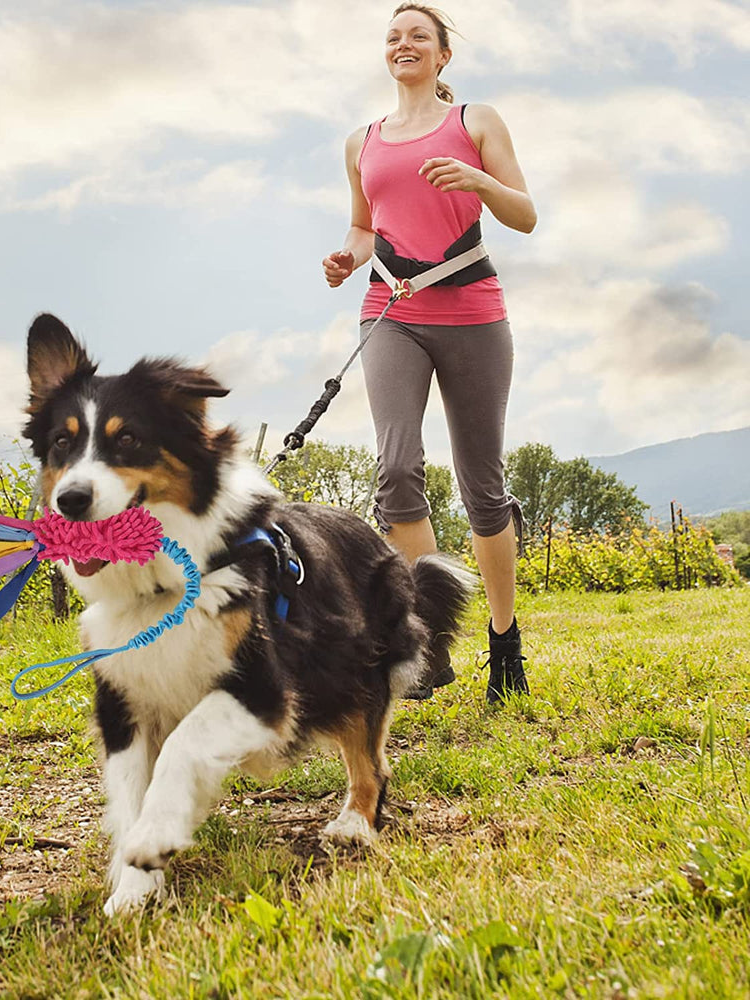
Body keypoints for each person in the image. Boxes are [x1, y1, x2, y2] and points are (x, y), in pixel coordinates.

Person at [322, 3, 536, 704]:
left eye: (418, 35)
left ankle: (504, 641)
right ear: (386, 55)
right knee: (395, 468)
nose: (403, 44)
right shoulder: (362, 141)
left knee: (483, 485)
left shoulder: (475, 121)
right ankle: (428, 640)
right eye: (393, 37)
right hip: (390, 310)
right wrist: (346, 258)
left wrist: (479, 181)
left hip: (471, 309)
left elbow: (525, 214)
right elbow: (363, 226)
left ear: (443, 56)